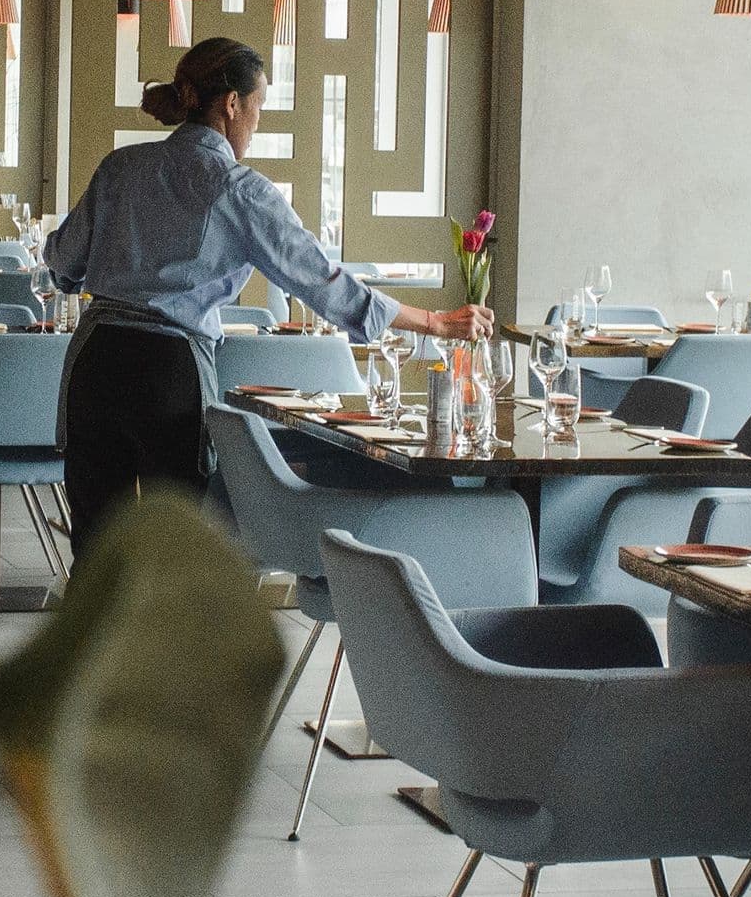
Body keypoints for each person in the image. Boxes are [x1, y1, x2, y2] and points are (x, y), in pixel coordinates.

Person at [44, 35, 494, 555]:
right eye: (258, 104)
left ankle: (92, 637)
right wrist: (434, 323)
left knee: (95, 550)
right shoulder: (239, 188)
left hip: (94, 363)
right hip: (168, 373)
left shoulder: (120, 167)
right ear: (231, 104)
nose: (258, 120)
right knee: (178, 555)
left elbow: (61, 263)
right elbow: (319, 280)